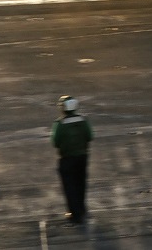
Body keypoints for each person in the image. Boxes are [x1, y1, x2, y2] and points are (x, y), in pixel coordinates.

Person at [51, 95, 93, 226]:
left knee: (70, 186)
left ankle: (74, 214)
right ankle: (82, 209)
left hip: (67, 158)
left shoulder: (60, 124)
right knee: (81, 184)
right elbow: (90, 136)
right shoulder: (83, 120)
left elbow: (55, 142)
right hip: (82, 157)